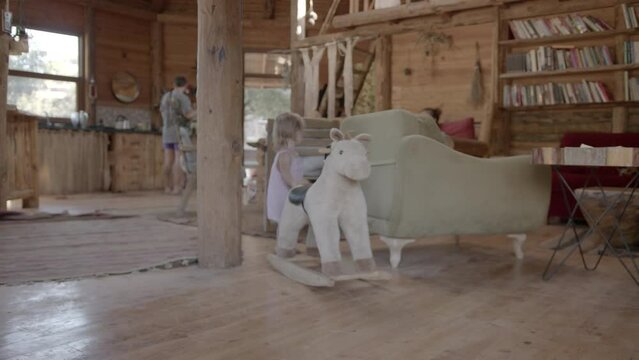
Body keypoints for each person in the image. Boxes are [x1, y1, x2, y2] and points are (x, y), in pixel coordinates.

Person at [266, 112, 309, 223]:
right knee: (284, 223)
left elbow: (296, 173)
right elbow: (286, 174)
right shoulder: (284, 154)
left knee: (290, 223)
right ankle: (283, 238)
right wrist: (296, 184)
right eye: (300, 131)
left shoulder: (292, 153)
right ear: (290, 132)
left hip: (290, 193)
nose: (302, 134)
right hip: (283, 196)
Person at [160, 76, 196, 194]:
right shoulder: (183, 97)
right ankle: (177, 188)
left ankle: (167, 188)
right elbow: (188, 115)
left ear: (174, 84)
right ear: (185, 86)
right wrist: (198, 110)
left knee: (167, 161)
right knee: (178, 160)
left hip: (166, 130)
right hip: (178, 131)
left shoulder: (166, 96)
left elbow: (162, 111)